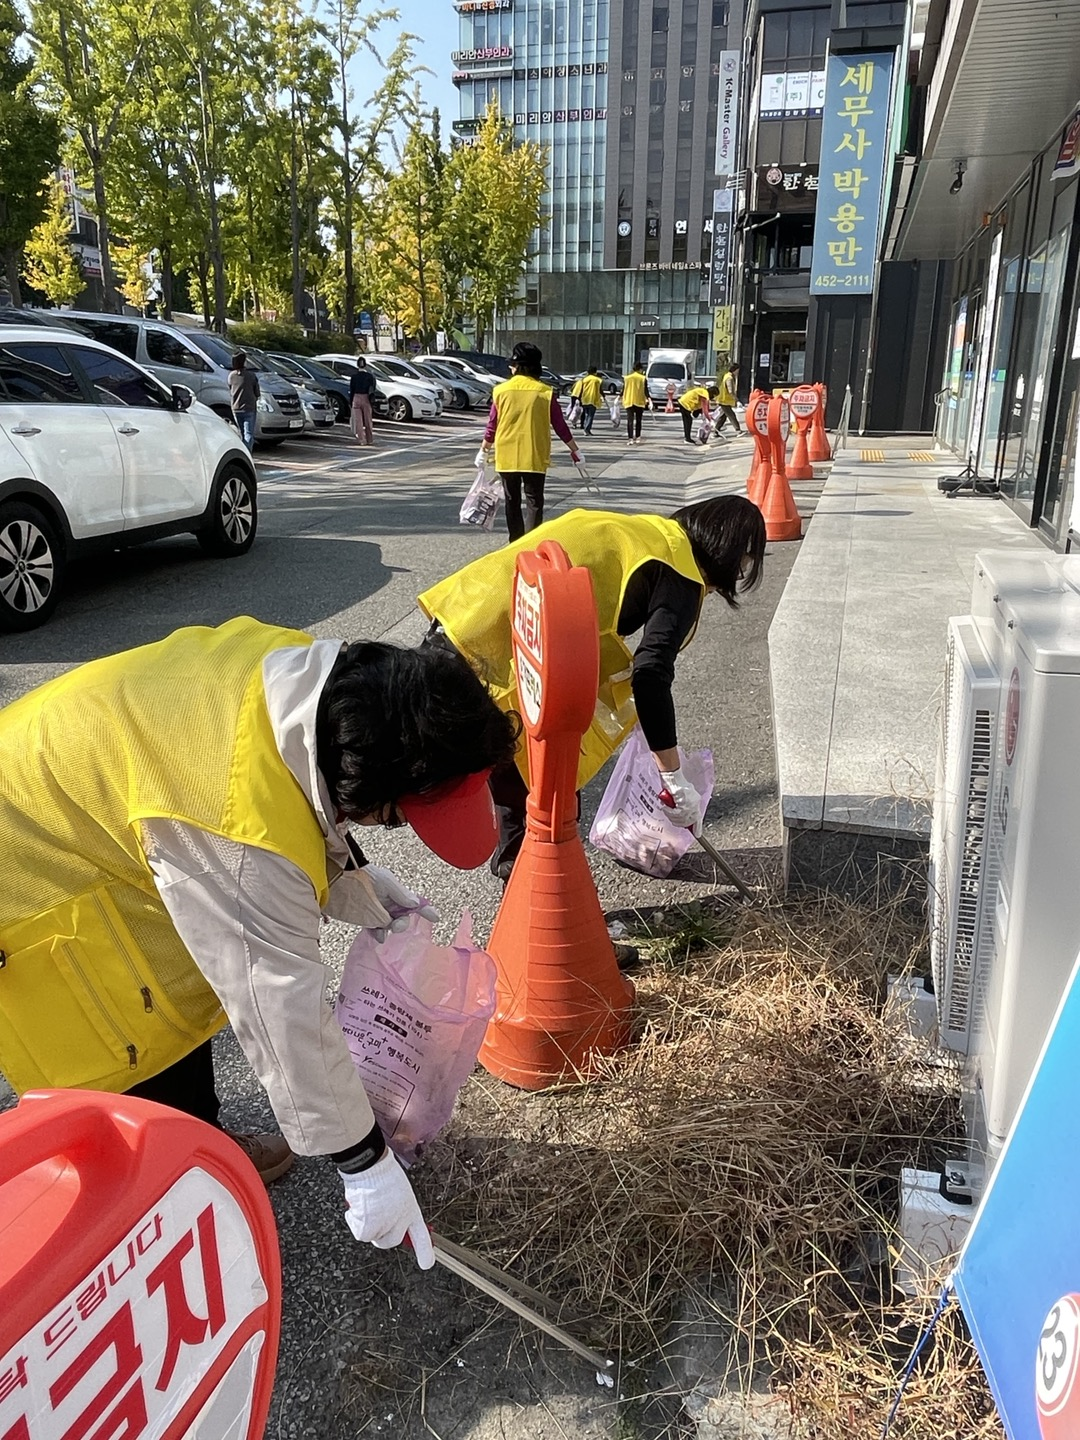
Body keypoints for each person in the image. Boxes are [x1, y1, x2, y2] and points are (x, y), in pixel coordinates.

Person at [0, 618, 519, 1269]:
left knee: (173, 995)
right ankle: (145, 1237)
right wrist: (364, 1164)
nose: (392, 829)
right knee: (120, 1041)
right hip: (26, 870)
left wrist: (352, 880)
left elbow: (303, 795)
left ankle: (199, 1152)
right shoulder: (229, 820)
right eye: (395, 817)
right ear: (366, 781)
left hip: (106, 818)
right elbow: (279, 1004)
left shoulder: (322, 681)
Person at [418, 496, 767, 878]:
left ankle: (517, 875)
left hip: (465, 616)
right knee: (548, 774)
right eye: (740, 566)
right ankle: (538, 897)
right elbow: (651, 673)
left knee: (514, 765)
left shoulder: (648, 533)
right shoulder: (680, 571)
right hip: (495, 652)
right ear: (729, 552)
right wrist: (673, 775)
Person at [478, 340, 582, 542]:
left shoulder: (500, 391)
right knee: (534, 502)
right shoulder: (545, 392)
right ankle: (531, 543)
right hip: (534, 455)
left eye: (513, 364)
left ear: (519, 366)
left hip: (507, 456)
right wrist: (575, 451)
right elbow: (560, 426)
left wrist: (484, 450)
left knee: (512, 501)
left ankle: (515, 542)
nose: (510, 367)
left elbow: (492, 425)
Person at [228, 352, 260, 450]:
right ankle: (247, 454)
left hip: (236, 408)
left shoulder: (231, 376)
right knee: (249, 433)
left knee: (241, 433)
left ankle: (242, 451)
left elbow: (230, 388)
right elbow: (257, 393)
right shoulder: (251, 375)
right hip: (249, 407)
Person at [349, 356, 376, 445]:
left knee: (358, 421)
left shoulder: (354, 377)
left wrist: (351, 401)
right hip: (366, 398)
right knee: (368, 419)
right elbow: (373, 389)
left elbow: (352, 389)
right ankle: (370, 439)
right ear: (365, 365)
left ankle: (361, 440)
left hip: (356, 397)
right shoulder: (369, 376)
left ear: (357, 365)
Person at [621, 361, 648, 445]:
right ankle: (638, 436)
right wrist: (649, 399)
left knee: (630, 421)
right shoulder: (643, 378)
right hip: (639, 401)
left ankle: (630, 438)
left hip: (629, 400)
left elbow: (623, 389)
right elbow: (645, 390)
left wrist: (618, 397)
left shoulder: (627, 378)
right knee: (638, 420)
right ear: (640, 369)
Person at [713, 362, 742, 436]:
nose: (738, 372)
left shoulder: (727, 376)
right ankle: (738, 430)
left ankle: (715, 431)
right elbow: (730, 391)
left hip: (724, 400)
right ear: (735, 370)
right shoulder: (729, 378)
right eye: (738, 370)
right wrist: (736, 400)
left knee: (723, 417)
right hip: (724, 400)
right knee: (731, 415)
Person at [578, 366, 604, 435]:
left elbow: (581, 389)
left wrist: (579, 398)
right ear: (595, 372)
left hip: (584, 399)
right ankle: (587, 429)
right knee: (590, 415)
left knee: (587, 414)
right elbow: (600, 389)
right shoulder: (597, 380)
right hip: (593, 399)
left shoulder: (584, 379)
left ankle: (586, 429)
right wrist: (603, 395)